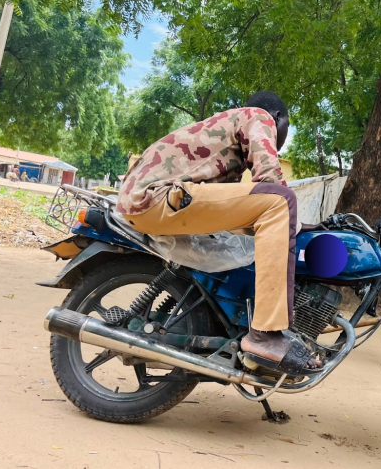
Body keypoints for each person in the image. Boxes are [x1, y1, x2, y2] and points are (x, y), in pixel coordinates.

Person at [117, 91, 322, 376]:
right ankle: (264, 334)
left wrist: (292, 225)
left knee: (271, 208)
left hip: (149, 202)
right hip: (156, 198)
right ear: (277, 118)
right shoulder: (258, 116)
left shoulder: (226, 143)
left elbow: (238, 209)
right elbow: (270, 177)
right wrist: (293, 219)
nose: (280, 137)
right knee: (281, 199)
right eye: (284, 126)